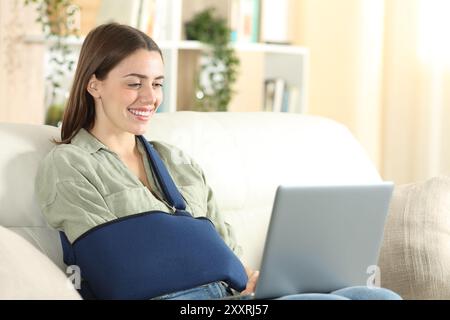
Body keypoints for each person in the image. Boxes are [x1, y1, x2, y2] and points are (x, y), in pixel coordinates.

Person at [35, 23, 401, 301]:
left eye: (158, 83)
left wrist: (248, 276)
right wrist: (214, 265)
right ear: (94, 84)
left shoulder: (176, 162)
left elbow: (226, 254)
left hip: (231, 299)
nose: (150, 97)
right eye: (135, 83)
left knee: (376, 296)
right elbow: (117, 267)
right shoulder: (71, 163)